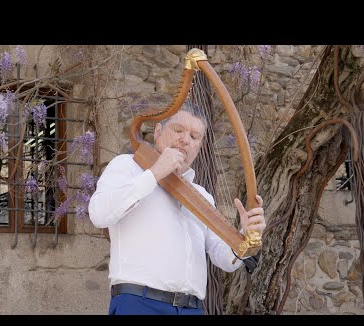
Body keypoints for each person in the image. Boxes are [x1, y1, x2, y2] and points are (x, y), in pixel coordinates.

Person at [88, 104, 266, 315]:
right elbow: (99, 214)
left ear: (199, 147)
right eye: (178, 130)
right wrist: (155, 173)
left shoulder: (202, 196)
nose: (185, 139)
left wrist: (246, 236)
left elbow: (224, 258)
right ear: (158, 132)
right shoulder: (127, 167)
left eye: (194, 136)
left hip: (192, 309)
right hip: (139, 304)